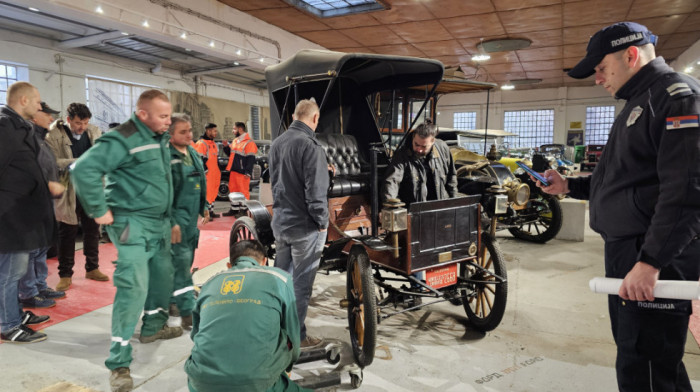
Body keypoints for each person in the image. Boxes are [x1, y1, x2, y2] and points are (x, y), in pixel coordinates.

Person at [539, 22, 700, 392]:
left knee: (641, 367)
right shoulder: (640, 102)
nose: (597, 79)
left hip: (653, 257)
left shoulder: (675, 98)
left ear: (630, 54)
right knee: (652, 362)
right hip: (632, 252)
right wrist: (570, 186)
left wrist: (651, 261)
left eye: (601, 68)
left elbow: (687, 191)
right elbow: (624, 180)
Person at [71, 89, 182, 392]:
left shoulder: (158, 138)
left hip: (158, 225)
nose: (168, 121)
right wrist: (98, 209)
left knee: (161, 280)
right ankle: (119, 362)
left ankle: (151, 329)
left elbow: (160, 182)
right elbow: (83, 168)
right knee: (134, 288)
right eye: (162, 116)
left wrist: (170, 220)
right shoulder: (123, 138)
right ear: (143, 114)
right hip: (133, 225)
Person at [185, 240, 310, 392]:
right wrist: (287, 367)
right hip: (257, 384)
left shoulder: (209, 283)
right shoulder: (279, 278)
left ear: (229, 265)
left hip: (199, 382)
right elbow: (292, 335)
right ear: (264, 262)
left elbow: (196, 334)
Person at [269, 98, 328, 349]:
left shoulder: (276, 143)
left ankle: (276, 330)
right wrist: (322, 221)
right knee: (301, 287)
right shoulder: (311, 146)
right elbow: (314, 192)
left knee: (281, 281)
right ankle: (298, 338)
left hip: (281, 224)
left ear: (294, 116)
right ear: (315, 118)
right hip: (305, 228)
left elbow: (277, 182)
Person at [0, 82, 56, 344]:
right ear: (23, 101)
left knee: (16, 272)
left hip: (21, 215)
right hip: (9, 216)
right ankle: (8, 325)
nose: (39, 106)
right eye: (37, 101)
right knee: (9, 274)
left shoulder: (19, 127)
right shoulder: (4, 128)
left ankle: (15, 314)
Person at [46, 102, 108, 292]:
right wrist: (80, 161)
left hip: (91, 188)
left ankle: (92, 267)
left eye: (86, 123)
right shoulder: (54, 135)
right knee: (67, 232)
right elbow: (53, 162)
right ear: (68, 120)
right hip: (68, 188)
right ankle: (65, 274)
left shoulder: (95, 132)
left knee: (92, 229)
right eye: (79, 123)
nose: (82, 127)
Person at [18, 102, 67, 310]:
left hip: (45, 200)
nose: (51, 118)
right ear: (34, 116)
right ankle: (28, 293)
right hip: (30, 201)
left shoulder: (42, 139)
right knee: (30, 250)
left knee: (40, 248)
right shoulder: (26, 139)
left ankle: (39, 285)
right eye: (47, 114)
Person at [168, 113, 209, 330]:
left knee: (187, 258)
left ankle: (176, 299)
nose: (189, 135)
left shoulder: (192, 152)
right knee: (180, 263)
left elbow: (201, 180)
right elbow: (163, 194)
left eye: (190, 130)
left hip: (192, 217)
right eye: (183, 132)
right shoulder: (167, 157)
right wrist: (172, 221)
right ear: (170, 133)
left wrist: (205, 206)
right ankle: (182, 308)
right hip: (176, 219)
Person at [381, 122, 457, 206]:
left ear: (433, 141)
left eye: (424, 147)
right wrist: (389, 207)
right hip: (415, 211)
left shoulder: (443, 148)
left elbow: (451, 176)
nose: (419, 150)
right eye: (416, 144)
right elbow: (392, 181)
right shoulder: (402, 155)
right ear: (413, 137)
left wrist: (454, 202)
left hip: (440, 207)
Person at [222, 122, 258, 216]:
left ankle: (243, 211)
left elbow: (251, 159)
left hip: (243, 173)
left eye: (234, 129)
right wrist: (226, 146)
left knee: (243, 192)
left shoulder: (249, 143)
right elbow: (231, 154)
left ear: (240, 129)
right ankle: (234, 209)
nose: (232, 131)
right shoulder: (235, 141)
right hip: (234, 171)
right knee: (233, 191)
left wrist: (248, 172)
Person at [194, 123, 221, 219]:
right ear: (208, 131)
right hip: (207, 173)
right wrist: (205, 171)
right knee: (207, 194)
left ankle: (211, 211)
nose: (216, 133)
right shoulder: (201, 144)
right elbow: (200, 159)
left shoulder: (213, 144)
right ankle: (206, 214)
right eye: (214, 131)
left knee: (213, 193)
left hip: (214, 173)